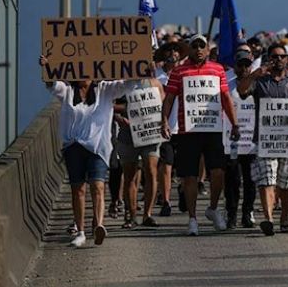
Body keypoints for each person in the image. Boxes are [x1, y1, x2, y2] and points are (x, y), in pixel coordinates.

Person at [40, 56, 144, 247]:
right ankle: (80, 231)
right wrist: (47, 68)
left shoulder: (105, 89)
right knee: (78, 189)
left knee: (98, 186)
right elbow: (52, 85)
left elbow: (127, 85)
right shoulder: (68, 91)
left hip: (97, 147)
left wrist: (140, 65)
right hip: (74, 146)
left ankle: (99, 224)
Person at [161, 34, 241, 235]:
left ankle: (213, 209)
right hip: (188, 130)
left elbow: (225, 97)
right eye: (194, 45)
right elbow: (169, 98)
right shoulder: (179, 71)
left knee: (218, 172)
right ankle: (192, 219)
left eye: (201, 46)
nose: (198, 49)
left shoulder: (218, 69)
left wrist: (235, 123)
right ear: (189, 49)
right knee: (189, 176)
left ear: (207, 49)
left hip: (213, 129)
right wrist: (164, 121)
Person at [239, 44, 288, 236]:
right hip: (264, 140)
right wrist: (254, 74)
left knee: (285, 183)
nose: (278, 60)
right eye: (273, 57)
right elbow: (241, 91)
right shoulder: (260, 81)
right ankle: (268, 219)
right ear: (269, 59)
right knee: (266, 180)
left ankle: (284, 218)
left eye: (281, 56)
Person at [116, 78, 166, 228]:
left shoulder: (155, 83)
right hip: (127, 134)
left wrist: (164, 122)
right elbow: (109, 105)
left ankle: (147, 214)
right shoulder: (121, 84)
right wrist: (119, 117)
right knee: (130, 175)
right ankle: (131, 216)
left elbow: (163, 105)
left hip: (150, 133)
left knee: (151, 171)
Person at [224, 49, 258, 229]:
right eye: (240, 65)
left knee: (251, 179)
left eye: (247, 65)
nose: (244, 68)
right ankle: (231, 213)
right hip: (232, 141)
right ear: (234, 67)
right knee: (232, 179)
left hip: (252, 141)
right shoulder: (227, 85)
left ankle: (248, 211)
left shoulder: (258, 85)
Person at [154, 42, 183, 217]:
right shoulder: (156, 76)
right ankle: (165, 200)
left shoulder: (184, 74)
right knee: (166, 165)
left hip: (185, 127)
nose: (172, 54)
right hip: (164, 127)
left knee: (184, 167)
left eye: (176, 51)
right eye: (169, 51)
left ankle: (182, 190)